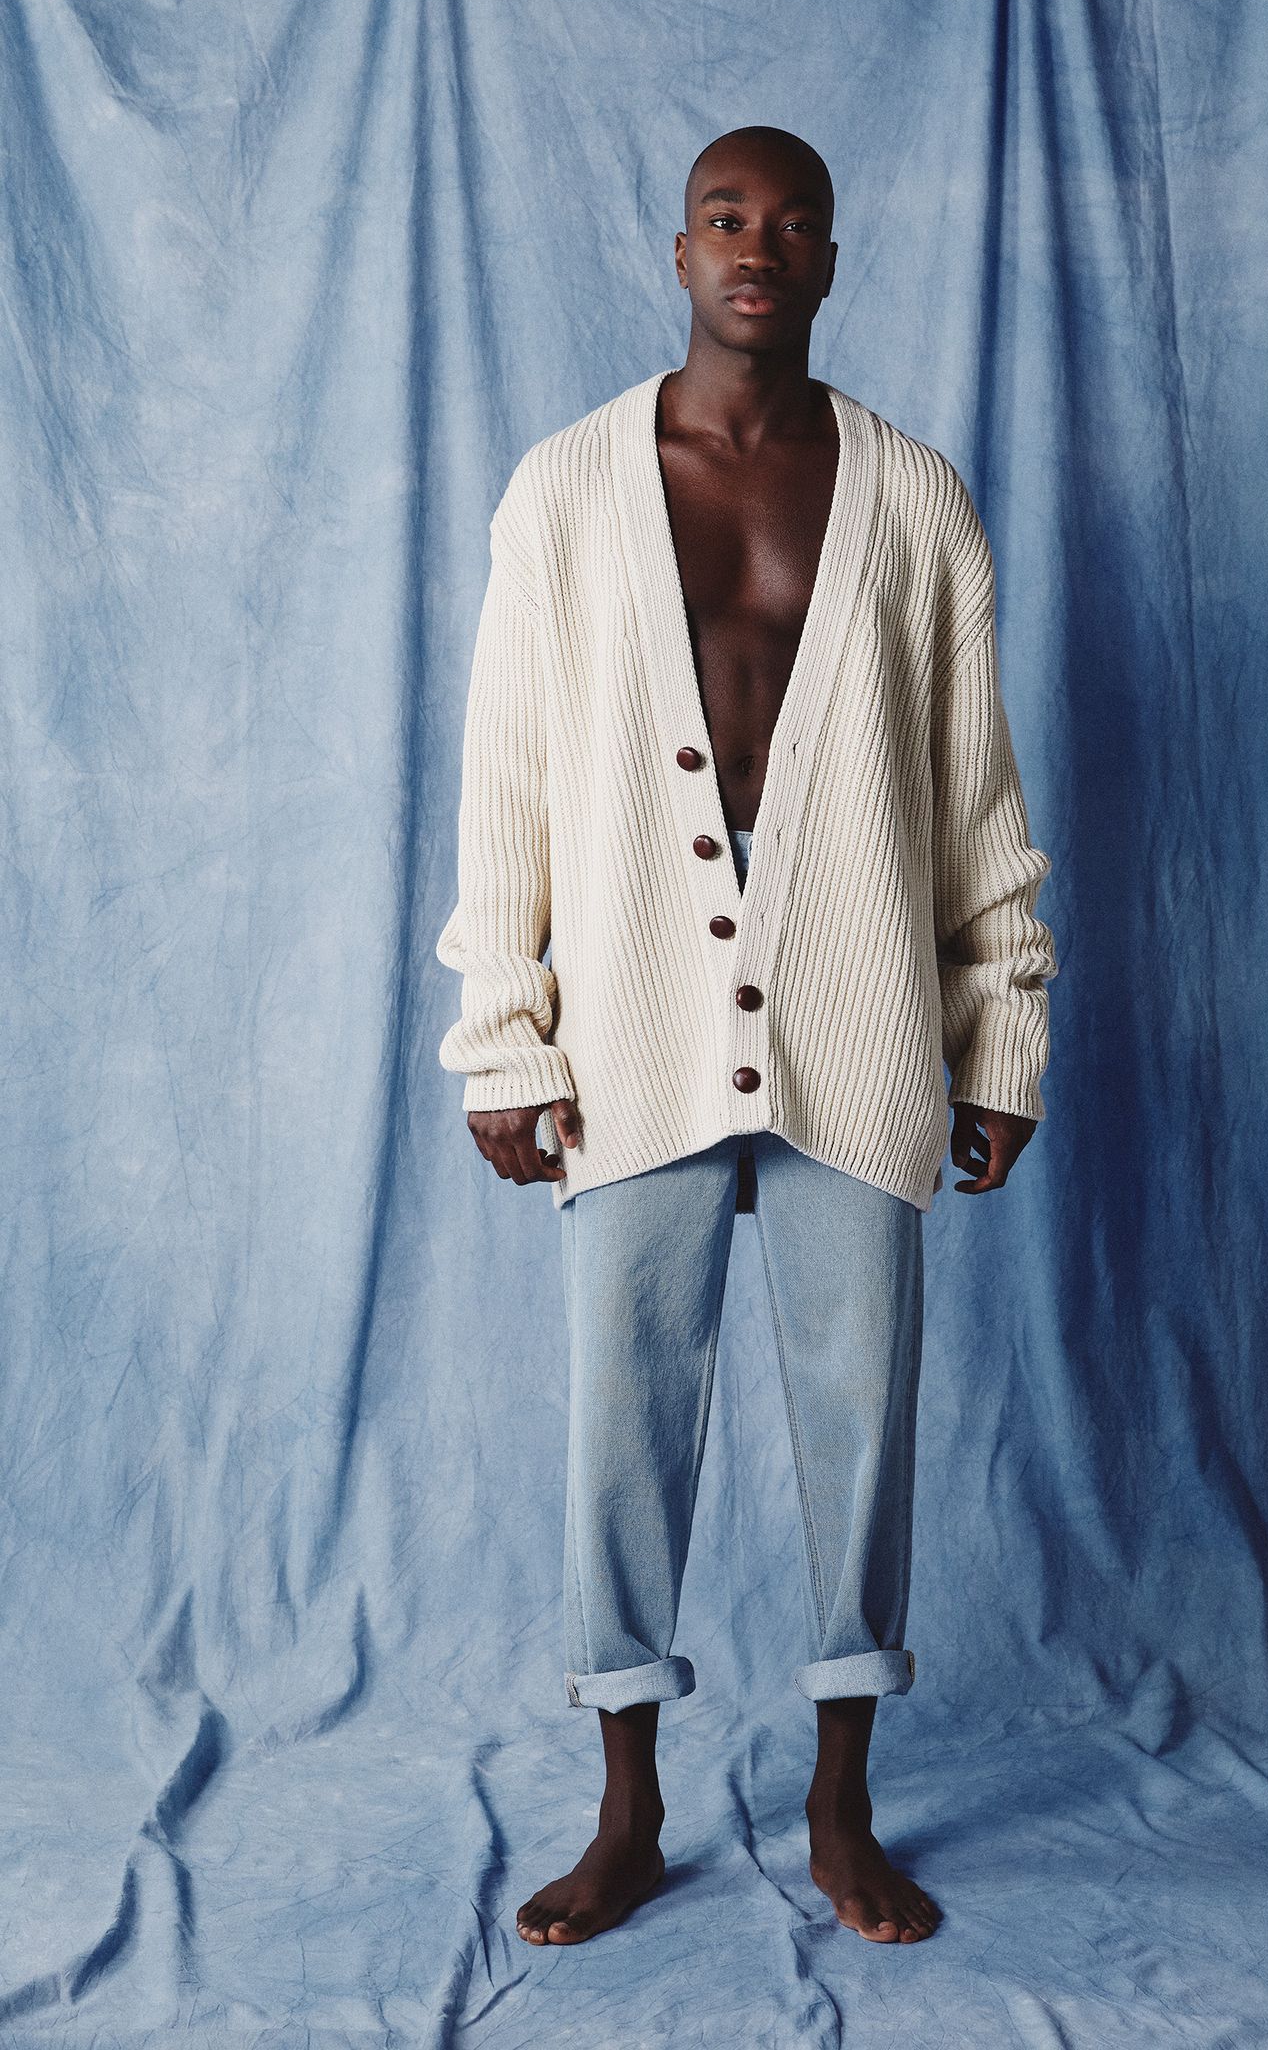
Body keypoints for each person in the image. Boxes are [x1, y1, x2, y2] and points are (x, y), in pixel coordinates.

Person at [435, 125, 1059, 1947]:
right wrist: (506, 1036)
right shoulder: (562, 492)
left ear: (834, 258)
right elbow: (508, 786)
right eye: (726, 219)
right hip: (627, 1026)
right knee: (618, 1429)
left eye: (791, 224)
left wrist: (995, 1031)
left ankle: (842, 1806)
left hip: (859, 1036)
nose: (755, 249)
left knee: (863, 1428)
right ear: (677, 247)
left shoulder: (915, 499)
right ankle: (625, 1809)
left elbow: (973, 797)